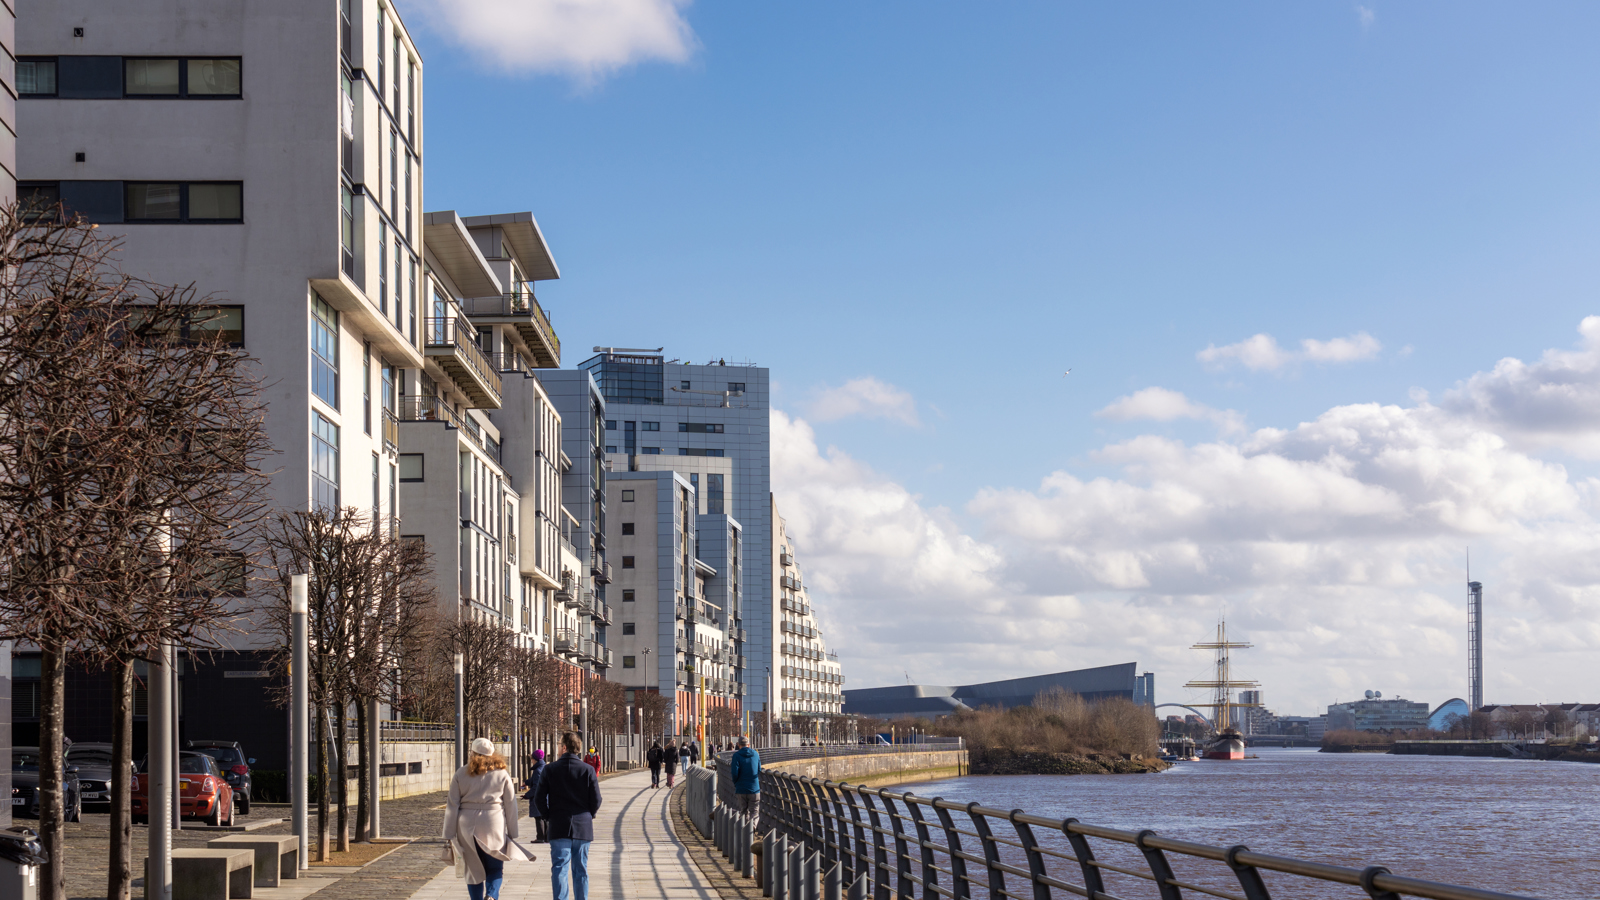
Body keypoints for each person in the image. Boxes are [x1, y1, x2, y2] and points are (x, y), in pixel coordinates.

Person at [444, 737, 533, 900]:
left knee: (472, 869)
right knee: (495, 865)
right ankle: (491, 895)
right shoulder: (502, 774)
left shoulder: (461, 773)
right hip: (493, 822)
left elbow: (452, 805)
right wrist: (513, 832)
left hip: (467, 823)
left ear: (472, 753)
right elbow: (510, 804)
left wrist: (449, 834)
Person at [536, 731, 602, 900]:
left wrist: (548, 816)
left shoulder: (550, 769)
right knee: (581, 870)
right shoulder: (588, 770)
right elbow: (596, 799)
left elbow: (539, 798)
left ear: (564, 747)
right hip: (583, 825)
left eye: (559, 745)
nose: (558, 748)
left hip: (559, 824)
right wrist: (589, 814)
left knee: (559, 869)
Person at [728, 736, 761, 826]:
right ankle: (753, 826)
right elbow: (758, 770)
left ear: (738, 745)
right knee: (754, 812)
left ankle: (744, 830)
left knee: (743, 811)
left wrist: (736, 784)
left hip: (741, 788)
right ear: (748, 745)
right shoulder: (756, 754)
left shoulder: (736, 756)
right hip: (754, 788)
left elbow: (734, 773)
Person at [524, 750, 549, 842]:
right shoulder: (544, 767)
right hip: (545, 796)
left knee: (539, 817)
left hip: (539, 797)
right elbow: (535, 780)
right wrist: (526, 782)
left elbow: (536, 786)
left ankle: (540, 837)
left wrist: (527, 795)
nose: (531, 761)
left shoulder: (537, 770)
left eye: (532, 759)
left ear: (535, 759)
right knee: (544, 817)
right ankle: (546, 837)